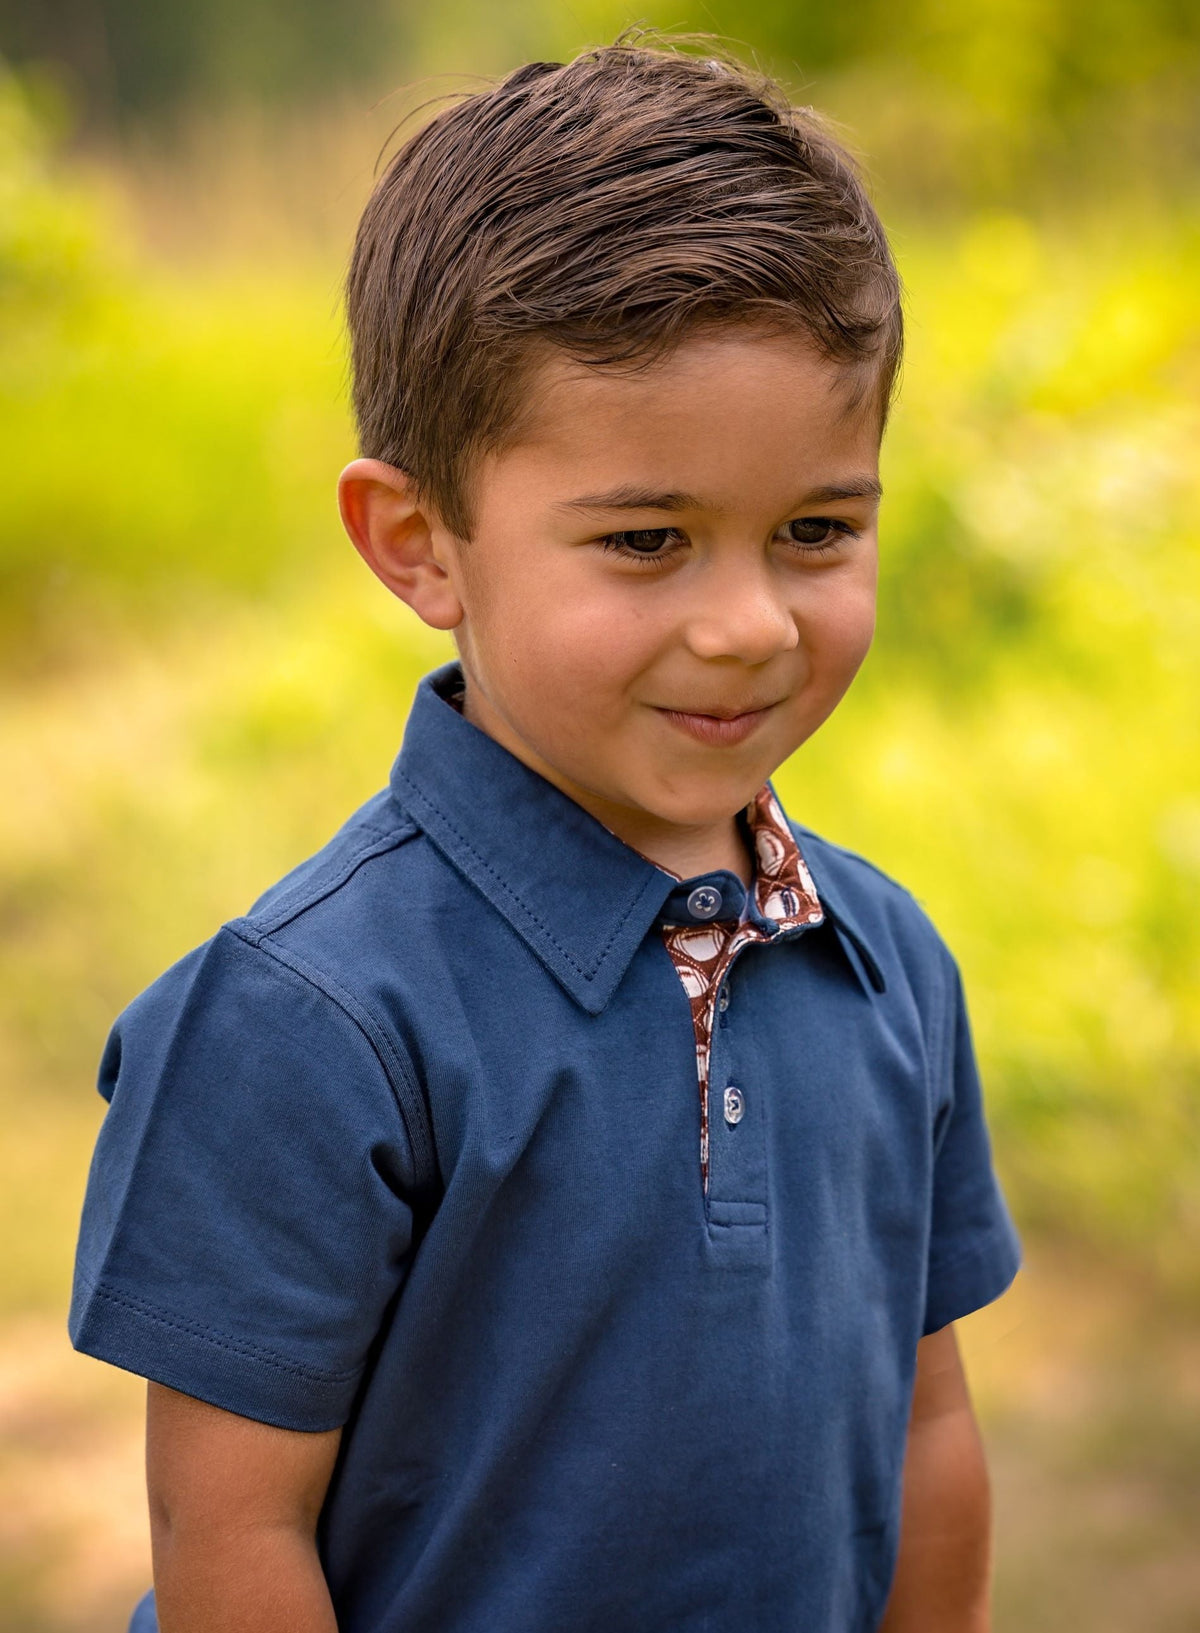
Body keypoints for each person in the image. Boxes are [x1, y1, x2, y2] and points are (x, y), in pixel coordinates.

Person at [70, 39, 1021, 1633]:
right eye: (647, 539)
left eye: (815, 531)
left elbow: (928, 1427)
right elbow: (232, 1537)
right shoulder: (312, 1020)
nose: (745, 626)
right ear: (421, 544)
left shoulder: (890, 967)